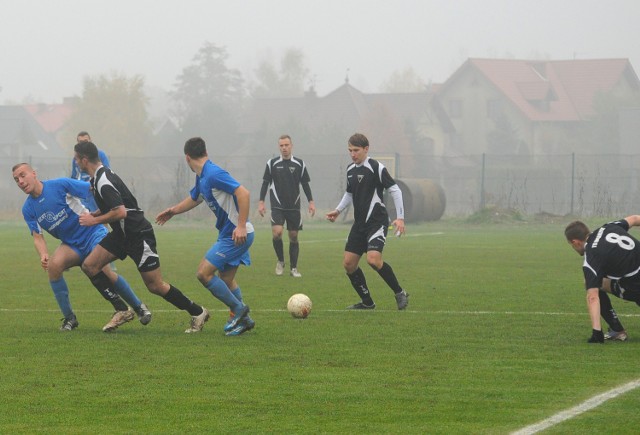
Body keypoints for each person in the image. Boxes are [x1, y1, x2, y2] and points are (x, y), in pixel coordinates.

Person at [73, 141, 210, 333]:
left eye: (77, 159)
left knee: (155, 285)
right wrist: (97, 213)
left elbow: (120, 212)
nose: (76, 163)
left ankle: (197, 312)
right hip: (122, 235)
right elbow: (117, 205)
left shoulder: (103, 181)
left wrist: (92, 221)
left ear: (84, 160)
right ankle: (122, 310)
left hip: (138, 234)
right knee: (90, 265)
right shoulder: (97, 178)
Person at [12, 162, 151, 331]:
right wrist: (43, 254)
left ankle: (137, 307)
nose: (20, 181)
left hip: (93, 233)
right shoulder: (28, 208)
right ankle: (70, 318)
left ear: (34, 174)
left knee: (105, 272)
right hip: (71, 244)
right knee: (54, 267)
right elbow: (37, 236)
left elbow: (93, 189)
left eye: (22, 175)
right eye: (16, 179)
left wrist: (102, 211)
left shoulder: (59, 185)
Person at [156, 137, 254, 336]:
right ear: (205, 152)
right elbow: (195, 198)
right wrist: (173, 211)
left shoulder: (213, 173)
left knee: (203, 273)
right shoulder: (202, 177)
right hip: (229, 233)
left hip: (237, 234)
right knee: (226, 279)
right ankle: (245, 321)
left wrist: (241, 226)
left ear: (187, 158)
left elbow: (243, 193)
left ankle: (240, 311)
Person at [326, 133, 409, 310]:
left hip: (376, 222)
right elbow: (349, 193)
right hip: (359, 225)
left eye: (356, 150)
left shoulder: (376, 167)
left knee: (373, 260)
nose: (353, 154)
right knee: (349, 264)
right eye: (350, 151)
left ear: (366, 149)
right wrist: (338, 210)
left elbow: (395, 190)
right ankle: (367, 302)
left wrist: (400, 217)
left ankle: (400, 292)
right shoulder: (350, 170)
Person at [564, 217, 640, 343]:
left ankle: (617, 330)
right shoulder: (608, 227)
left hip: (636, 285)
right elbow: (635, 218)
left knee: (593, 284)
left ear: (575, 242)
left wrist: (596, 333)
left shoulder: (591, 258)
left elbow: (593, 297)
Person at [258, 134, 315, 278]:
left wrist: (311, 202)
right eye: (281, 145)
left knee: (293, 236)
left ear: (291, 146)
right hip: (277, 205)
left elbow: (305, 184)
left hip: (294, 206)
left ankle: (294, 268)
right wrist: (261, 202)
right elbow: (265, 183)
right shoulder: (272, 164)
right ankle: (281, 261)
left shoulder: (300, 164)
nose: (284, 148)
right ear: (279, 147)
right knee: (277, 233)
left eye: (286, 145)